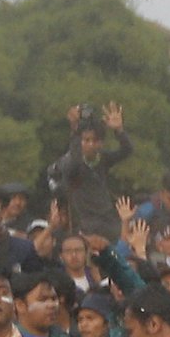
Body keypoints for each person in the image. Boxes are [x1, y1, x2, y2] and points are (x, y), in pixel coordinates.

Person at [46, 105, 132, 247]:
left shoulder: (103, 158)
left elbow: (126, 150)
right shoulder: (70, 161)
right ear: (80, 142)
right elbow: (72, 162)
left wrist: (119, 130)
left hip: (108, 220)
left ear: (101, 142)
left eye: (95, 141)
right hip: (83, 222)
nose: (91, 145)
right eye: (86, 140)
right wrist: (74, 128)